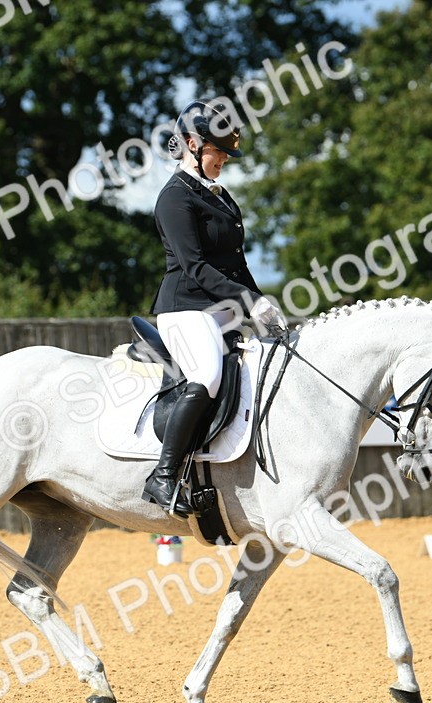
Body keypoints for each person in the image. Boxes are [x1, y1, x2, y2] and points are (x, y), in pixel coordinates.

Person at [142, 100, 286, 516]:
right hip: (185, 308)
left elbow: (236, 264)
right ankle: (164, 476)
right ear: (191, 143)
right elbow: (195, 267)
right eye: (217, 150)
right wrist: (247, 302)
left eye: (225, 152)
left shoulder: (220, 197)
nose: (224, 158)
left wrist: (262, 303)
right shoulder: (174, 198)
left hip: (221, 308)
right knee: (206, 375)